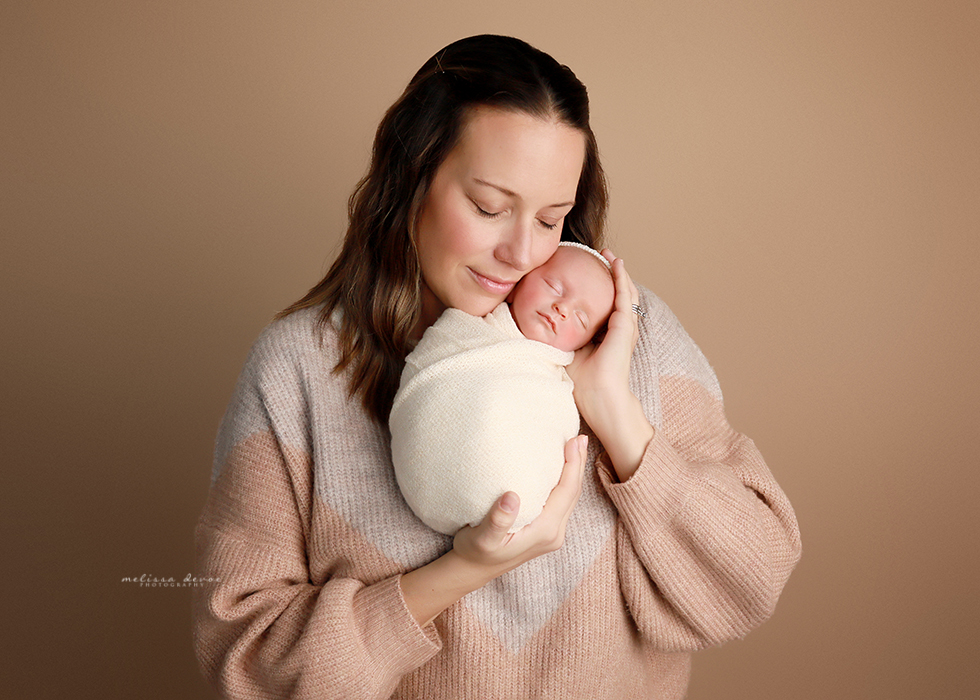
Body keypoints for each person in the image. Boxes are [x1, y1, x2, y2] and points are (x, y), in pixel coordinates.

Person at [193, 34, 801, 700]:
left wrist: (617, 416)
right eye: (488, 208)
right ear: (410, 181)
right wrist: (461, 571)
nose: (520, 252)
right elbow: (246, 665)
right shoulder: (297, 371)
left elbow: (751, 582)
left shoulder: (628, 334)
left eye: (551, 220)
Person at [391, 242, 616, 535]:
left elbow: (547, 428)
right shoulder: (465, 328)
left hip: (513, 508)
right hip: (422, 478)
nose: (562, 308)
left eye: (581, 317)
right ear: (518, 283)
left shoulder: (557, 386)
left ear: (585, 343)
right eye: (554, 286)